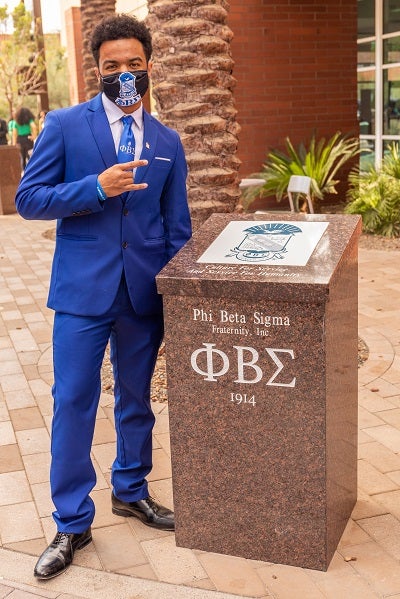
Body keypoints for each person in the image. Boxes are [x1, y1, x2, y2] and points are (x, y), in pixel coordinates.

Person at [15, 13, 191, 580]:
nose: (124, 74)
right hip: (82, 294)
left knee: (137, 399)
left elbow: (176, 226)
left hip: (143, 296)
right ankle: (71, 520)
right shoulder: (66, 126)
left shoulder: (167, 141)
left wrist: (174, 289)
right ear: (97, 71)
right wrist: (95, 187)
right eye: (111, 66)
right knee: (74, 402)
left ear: (149, 67)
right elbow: (29, 198)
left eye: (133, 65)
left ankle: (131, 490)